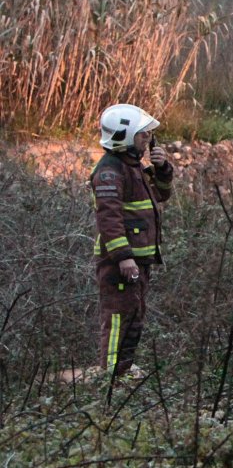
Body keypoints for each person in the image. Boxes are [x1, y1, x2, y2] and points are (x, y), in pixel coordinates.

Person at [90, 103, 174, 378]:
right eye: (142, 135)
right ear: (124, 137)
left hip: (138, 259)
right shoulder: (110, 171)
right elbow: (109, 217)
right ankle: (112, 372)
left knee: (134, 313)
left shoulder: (135, 167)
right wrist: (123, 256)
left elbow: (159, 196)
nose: (148, 139)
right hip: (121, 261)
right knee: (118, 316)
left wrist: (162, 170)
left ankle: (124, 368)